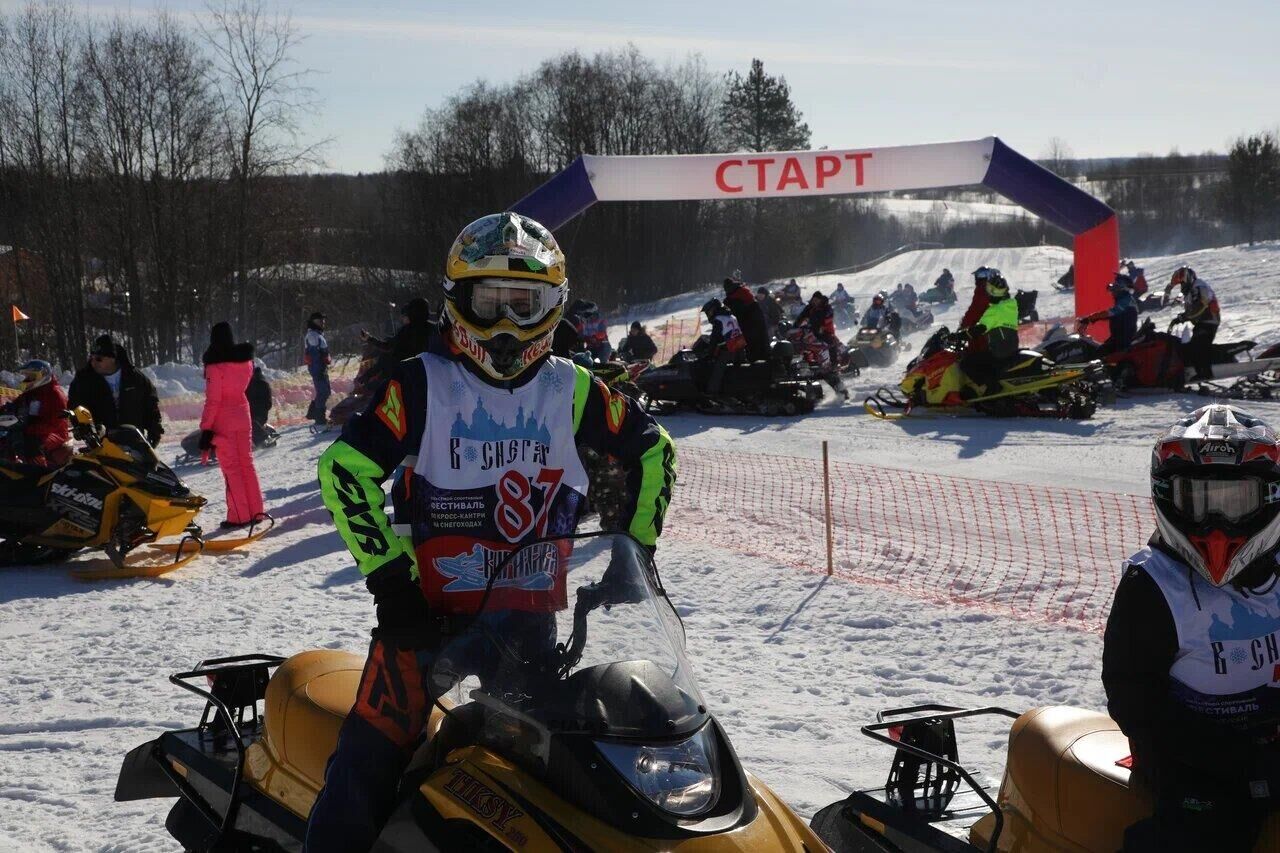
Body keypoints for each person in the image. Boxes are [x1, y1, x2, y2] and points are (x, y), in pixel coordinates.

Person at [305, 212, 675, 853]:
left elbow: (656, 452)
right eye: (489, 302)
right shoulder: (420, 382)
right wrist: (392, 585)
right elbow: (345, 470)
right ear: (459, 302)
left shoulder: (574, 388)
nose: (505, 325)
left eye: (523, 304)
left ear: (551, 308)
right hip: (423, 620)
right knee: (366, 765)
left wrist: (633, 553)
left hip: (527, 621)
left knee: (554, 778)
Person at [1103, 404, 1280, 853]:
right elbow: (1132, 693)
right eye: (1198, 501)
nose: (1216, 526)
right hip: (1187, 760)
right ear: (1168, 497)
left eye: (1236, 502)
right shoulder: (1153, 585)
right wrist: (1226, 757)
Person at [200, 322, 264, 529]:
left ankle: (238, 516)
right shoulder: (246, 362)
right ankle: (256, 511)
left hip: (223, 420)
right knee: (246, 463)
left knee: (231, 469)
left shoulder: (214, 366)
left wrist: (206, 428)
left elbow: (213, 400)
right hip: (242, 413)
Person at [67, 334, 163, 447]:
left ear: (112, 358)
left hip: (134, 440)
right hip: (101, 443)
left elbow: (150, 404)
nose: (94, 362)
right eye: (91, 358)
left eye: (99, 359)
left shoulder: (134, 377)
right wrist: (81, 426)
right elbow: (75, 405)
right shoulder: (83, 380)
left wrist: (154, 429)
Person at [958, 269, 1019, 398]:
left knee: (967, 362)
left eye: (989, 292)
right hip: (1010, 347)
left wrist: (960, 334)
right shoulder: (1011, 304)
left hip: (998, 351)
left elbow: (980, 328)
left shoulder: (994, 311)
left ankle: (992, 387)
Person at [2, 360, 70, 466]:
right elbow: (16, 404)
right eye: (26, 376)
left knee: (31, 443)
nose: (27, 380)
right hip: (33, 428)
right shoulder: (32, 392)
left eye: (31, 377)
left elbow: (56, 423)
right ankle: (9, 469)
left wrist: (28, 429)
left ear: (42, 375)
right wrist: (5, 410)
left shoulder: (55, 394)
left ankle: (39, 471)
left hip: (55, 432)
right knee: (7, 438)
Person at [1166, 266, 1220, 380]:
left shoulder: (1199, 286)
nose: (1181, 288)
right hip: (1203, 321)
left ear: (1188, 279)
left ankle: (1205, 373)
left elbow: (1200, 306)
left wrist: (1185, 316)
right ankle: (1197, 370)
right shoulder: (1192, 289)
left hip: (1209, 320)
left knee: (1198, 345)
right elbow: (1192, 310)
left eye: (1182, 284)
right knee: (1192, 346)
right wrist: (1181, 318)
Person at [362, 297, 437, 373]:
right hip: (433, 372)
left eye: (405, 316)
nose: (403, 319)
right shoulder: (435, 329)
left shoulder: (407, 330)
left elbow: (388, 347)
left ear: (411, 314)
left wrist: (369, 339)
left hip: (410, 373)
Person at [1080, 272, 1140, 353]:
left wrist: (1090, 318)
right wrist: (1090, 319)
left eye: (1116, 285)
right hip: (1118, 339)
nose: (1113, 292)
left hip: (1123, 342)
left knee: (1098, 356)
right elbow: (1110, 315)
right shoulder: (1125, 300)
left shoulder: (1126, 300)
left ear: (1121, 288)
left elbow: (1109, 313)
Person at [723, 276, 769, 360]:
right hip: (755, 318)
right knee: (760, 340)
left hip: (751, 320)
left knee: (753, 341)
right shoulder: (739, 290)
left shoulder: (734, 296)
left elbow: (739, 311)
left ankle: (756, 360)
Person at [304, 311, 330, 427]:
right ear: (313, 322)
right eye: (320, 321)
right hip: (318, 368)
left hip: (321, 368)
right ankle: (319, 417)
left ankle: (313, 413)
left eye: (323, 321)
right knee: (323, 392)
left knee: (325, 391)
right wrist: (318, 370)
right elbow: (314, 355)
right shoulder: (313, 335)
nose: (323, 323)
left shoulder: (317, 334)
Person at [961, 266, 1001, 331]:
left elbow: (974, 310)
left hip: (985, 326)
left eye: (977, 276)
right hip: (995, 324)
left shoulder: (982, 290)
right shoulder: (996, 288)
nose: (975, 279)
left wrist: (964, 325)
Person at [246, 359, 274, 447]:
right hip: (242, 414)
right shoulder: (240, 383)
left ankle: (264, 438)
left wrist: (250, 410)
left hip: (257, 416)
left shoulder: (261, 383)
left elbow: (267, 404)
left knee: (248, 422)